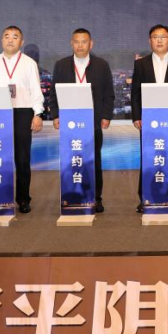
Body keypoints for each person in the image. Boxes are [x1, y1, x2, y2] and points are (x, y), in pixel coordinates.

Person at [51, 28, 115, 213]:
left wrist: (106, 116)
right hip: (69, 123)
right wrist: (55, 115)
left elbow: (109, 94)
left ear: (91, 44)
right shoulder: (61, 65)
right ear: (71, 44)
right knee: (71, 160)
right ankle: (71, 196)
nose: (80, 45)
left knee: (94, 161)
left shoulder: (101, 65)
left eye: (84, 41)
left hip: (93, 122)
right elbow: (54, 93)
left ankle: (96, 198)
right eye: (76, 42)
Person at [0, 26, 44, 213]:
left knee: (22, 159)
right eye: (7, 36)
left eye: (15, 37)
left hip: (22, 113)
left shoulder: (29, 63)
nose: (10, 40)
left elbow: (36, 90)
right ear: (1, 40)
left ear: (21, 42)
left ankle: (23, 199)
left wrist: (38, 114)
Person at [131, 24, 168, 213]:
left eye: (163, 37)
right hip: (148, 120)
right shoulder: (141, 64)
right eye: (155, 37)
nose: (159, 40)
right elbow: (135, 93)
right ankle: (146, 196)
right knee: (149, 156)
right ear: (149, 41)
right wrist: (136, 116)